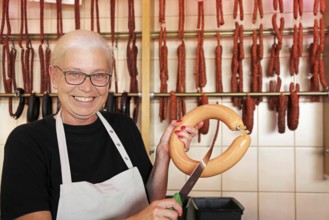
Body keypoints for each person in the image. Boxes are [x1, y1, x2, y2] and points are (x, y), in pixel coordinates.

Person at [0, 30, 202, 220]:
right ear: (53, 75)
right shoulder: (27, 143)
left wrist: (164, 154)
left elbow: (150, 200)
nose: (87, 88)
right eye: (74, 74)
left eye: (98, 75)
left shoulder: (124, 127)